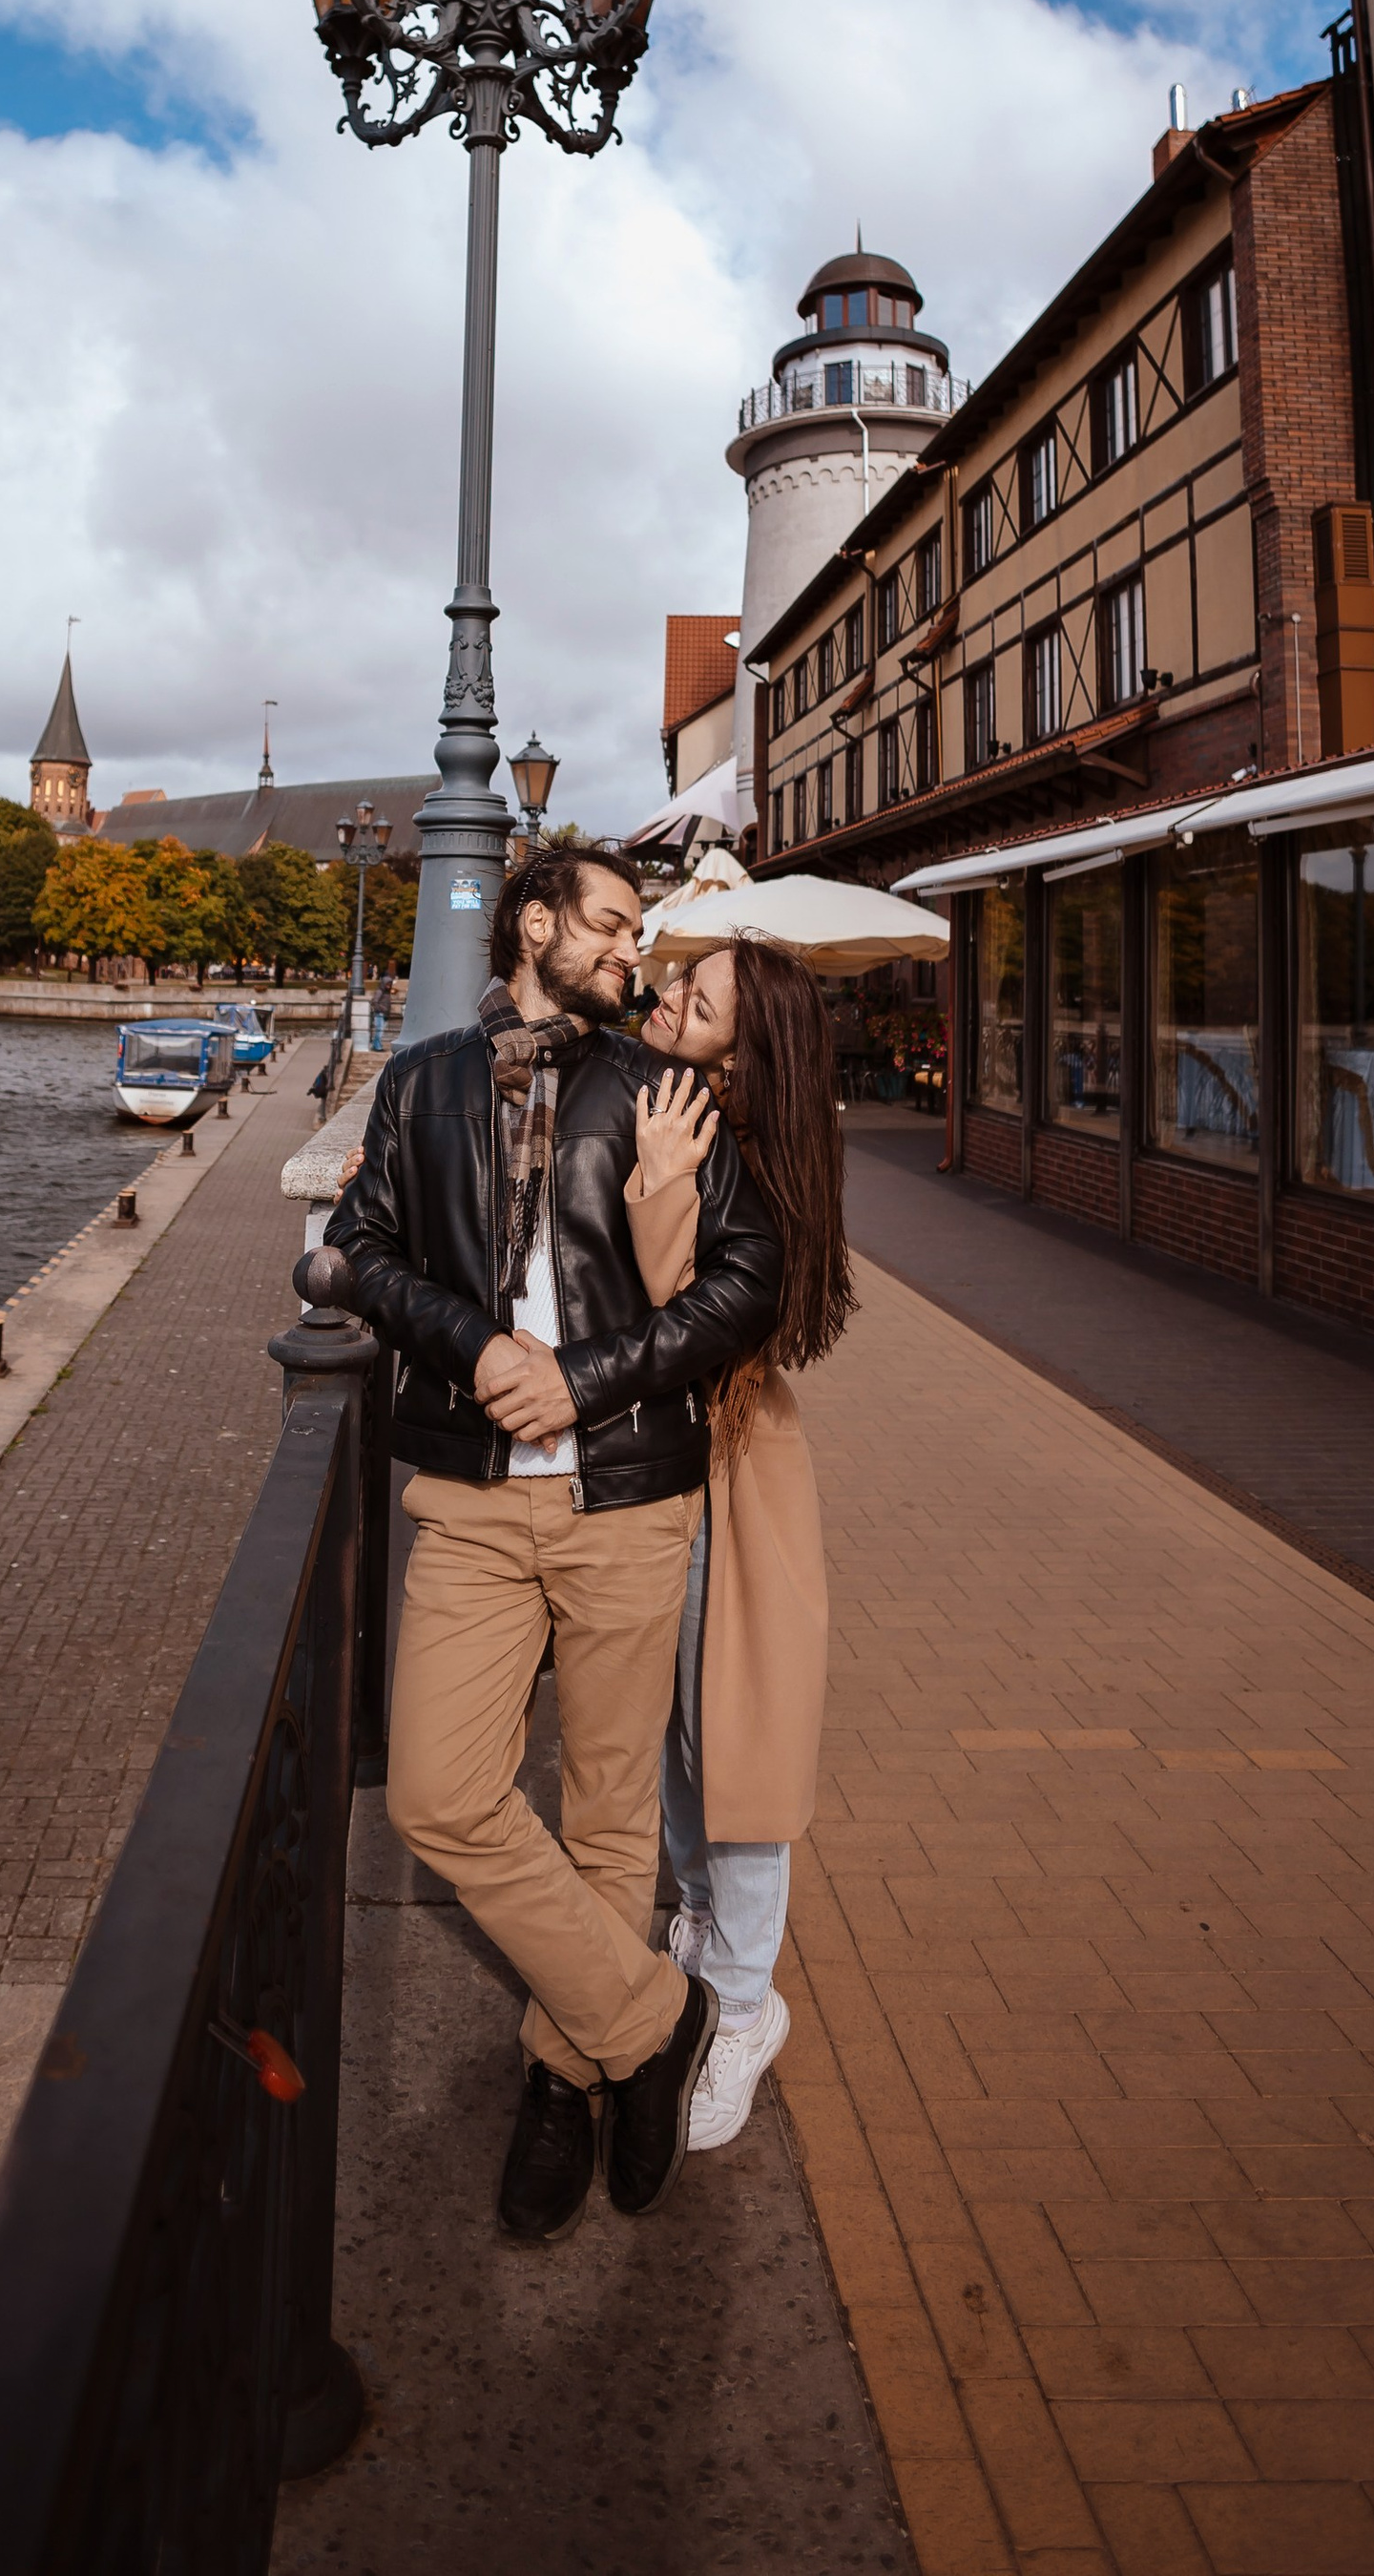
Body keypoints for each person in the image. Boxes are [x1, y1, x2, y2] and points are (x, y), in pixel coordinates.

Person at [328, 847, 784, 2243]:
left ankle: (562, 2076)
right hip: (469, 1494)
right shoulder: (419, 1086)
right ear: (533, 924)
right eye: (606, 924)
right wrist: (477, 1350)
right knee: (440, 1797)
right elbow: (360, 1244)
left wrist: (583, 1379)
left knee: (606, 1816)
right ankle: (657, 2025)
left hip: (628, 1496)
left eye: (638, 933)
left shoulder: (663, 1092)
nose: (626, 951)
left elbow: (747, 1283)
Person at [626, 936, 852, 2153]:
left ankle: (745, 2004)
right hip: (673, 1461)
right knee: (674, 1724)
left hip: (731, 1468)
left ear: (740, 1055)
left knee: (737, 1748)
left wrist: (662, 1174)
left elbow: (669, 1303)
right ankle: (700, 1928)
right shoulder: (683, 1106)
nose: (666, 1000)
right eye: (676, 984)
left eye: (694, 1001)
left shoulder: (738, 1161)